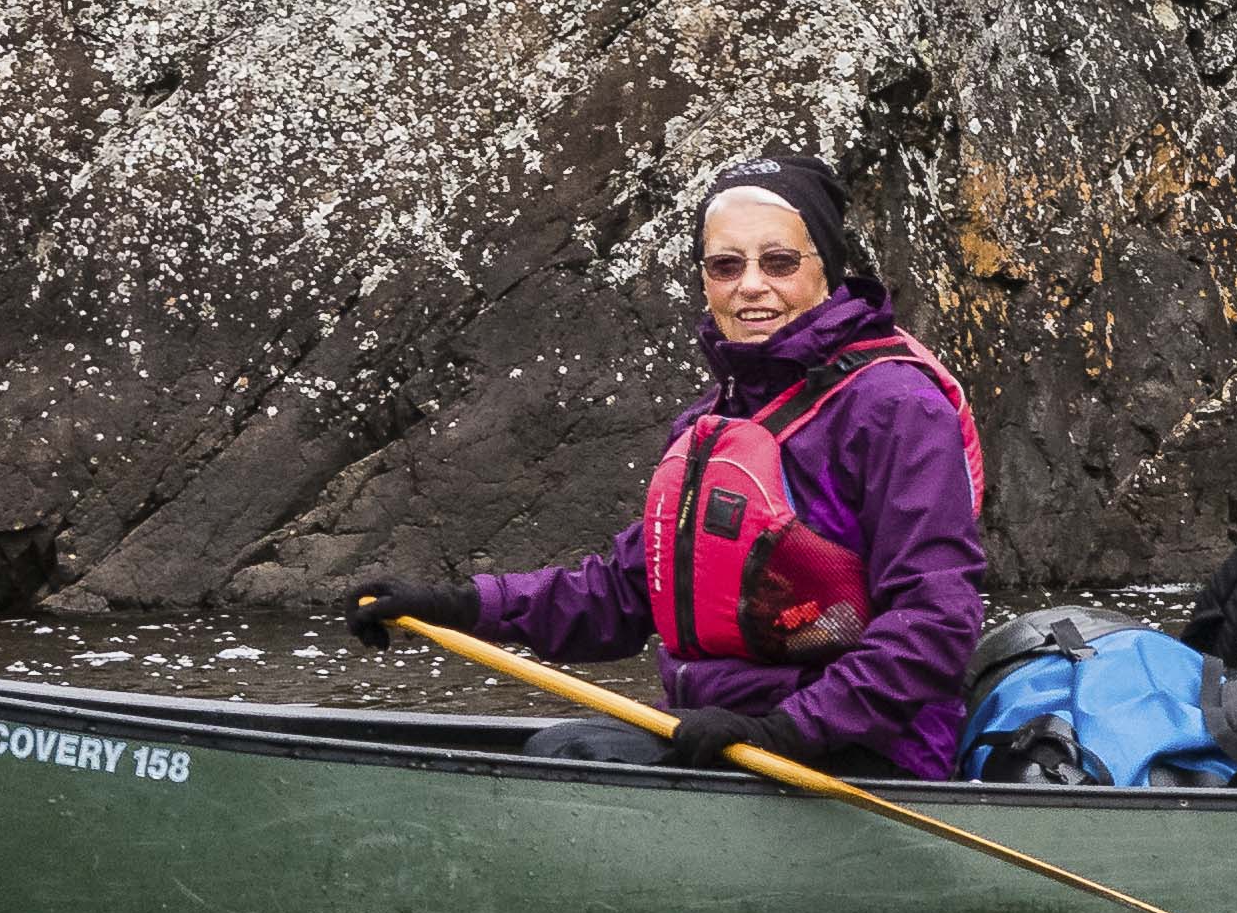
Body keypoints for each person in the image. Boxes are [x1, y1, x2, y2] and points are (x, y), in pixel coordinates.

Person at [347, 153, 990, 781]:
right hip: (726, 728)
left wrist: (785, 730)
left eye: (780, 262)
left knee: (569, 756)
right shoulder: (714, 419)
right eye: (726, 265)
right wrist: (454, 607)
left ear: (827, 271)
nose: (752, 285)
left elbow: (934, 620)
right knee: (568, 747)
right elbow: (623, 594)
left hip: (864, 745)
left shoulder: (896, 408)